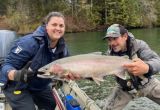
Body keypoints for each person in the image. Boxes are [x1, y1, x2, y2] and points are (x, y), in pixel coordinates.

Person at [0, 12, 78, 110]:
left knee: (50, 104)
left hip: (38, 85)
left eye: (61, 26)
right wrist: (16, 74)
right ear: (46, 26)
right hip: (16, 85)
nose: (58, 28)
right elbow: (6, 65)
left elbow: (67, 69)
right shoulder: (28, 43)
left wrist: (71, 75)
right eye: (54, 24)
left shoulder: (63, 49)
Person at [101, 24, 160, 110]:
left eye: (115, 38)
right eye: (109, 40)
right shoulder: (109, 54)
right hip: (124, 88)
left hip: (148, 84)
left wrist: (147, 67)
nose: (112, 43)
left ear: (125, 36)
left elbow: (157, 61)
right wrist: (86, 75)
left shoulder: (139, 45)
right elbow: (102, 73)